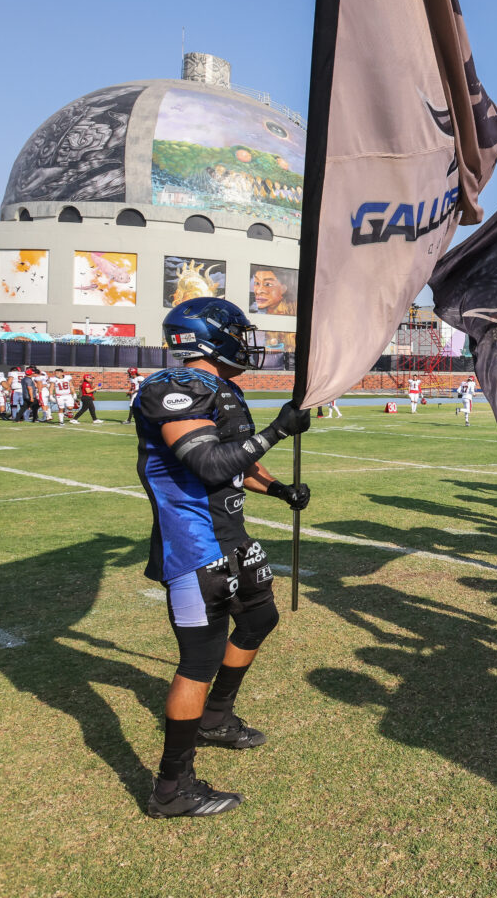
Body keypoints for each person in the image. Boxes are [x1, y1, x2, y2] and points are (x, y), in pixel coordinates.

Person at [136, 297, 312, 818]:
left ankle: (216, 715)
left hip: (230, 535)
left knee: (261, 617)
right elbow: (209, 463)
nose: (248, 341)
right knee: (199, 660)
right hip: (193, 544)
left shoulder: (222, 388)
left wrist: (278, 489)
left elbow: (238, 462)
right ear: (207, 337)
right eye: (239, 332)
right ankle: (172, 788)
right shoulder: (172, 387)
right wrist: (277, 430)